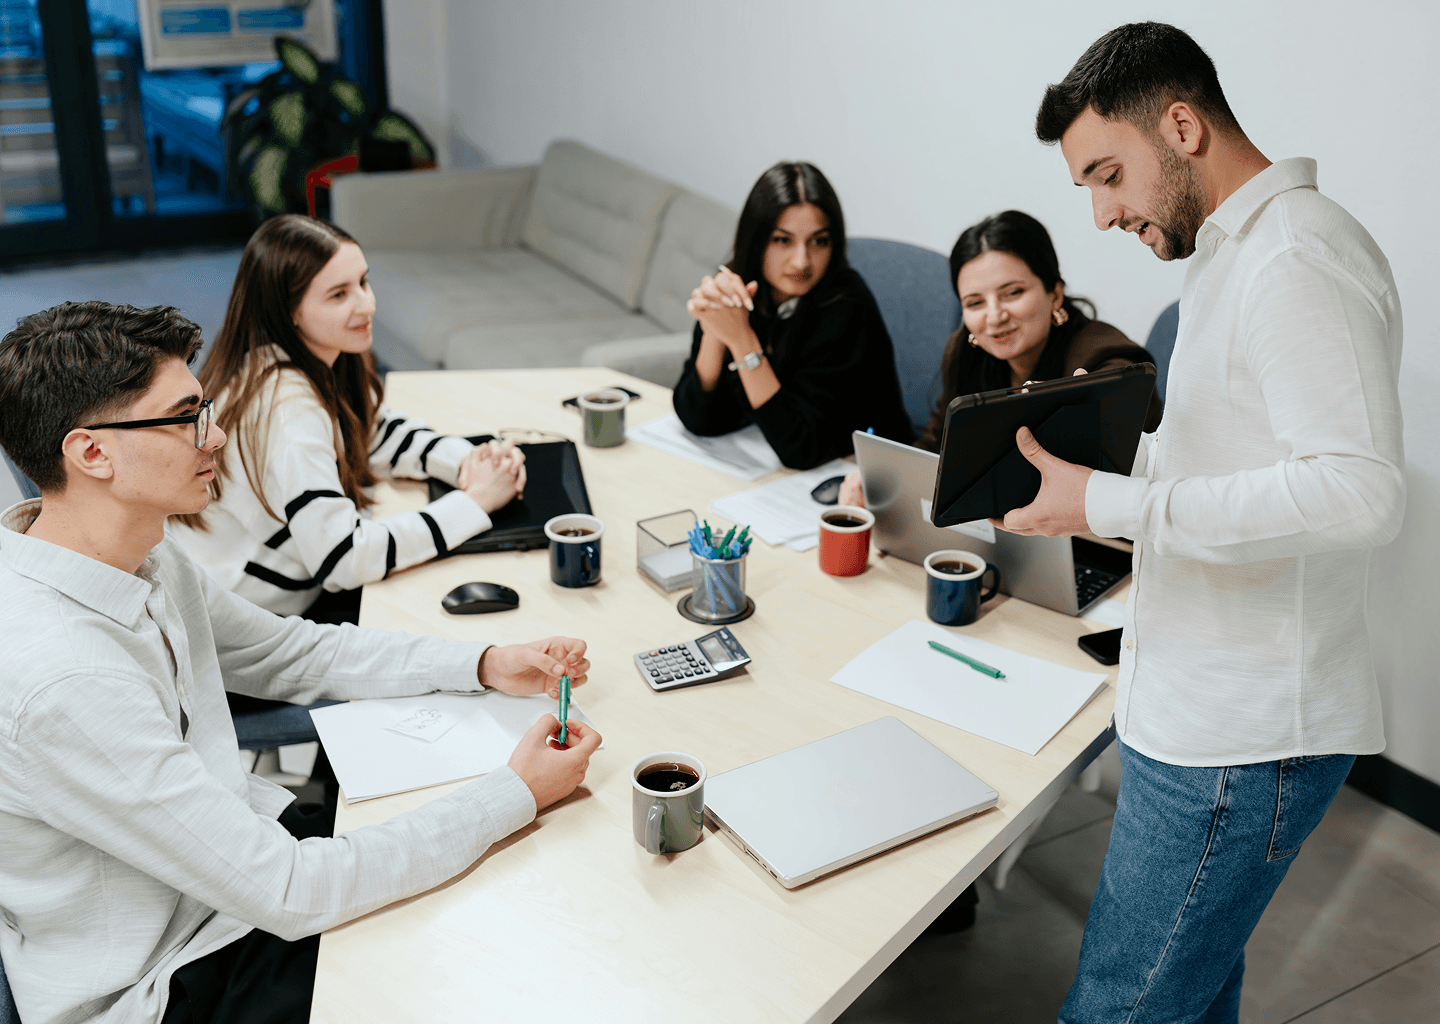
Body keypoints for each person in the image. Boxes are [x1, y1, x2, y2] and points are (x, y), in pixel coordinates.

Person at [0, 300, 602, 1024]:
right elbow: (288, 891)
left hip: (231, 890)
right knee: (487, 952)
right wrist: (516, 792)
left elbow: (290, 651)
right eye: (186, 416)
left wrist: (484, 661)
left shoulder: (144, 552)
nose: (216, 435)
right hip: (171, 980)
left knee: (499, 890)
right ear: (92, 453)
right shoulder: (65, 680)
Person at [1013, 22, 1403, 1022]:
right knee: (1185, 995)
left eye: (1109, 175)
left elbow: (1358, 491)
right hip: (1197, 701)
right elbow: (1237, 458)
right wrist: (1100, 484)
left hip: (1241, 734)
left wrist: (1111, 502)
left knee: (1122, 1007)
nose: (1101, 215)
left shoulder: (1295, 262)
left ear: (1181, 125)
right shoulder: (1233, 254)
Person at [171, 214, 525, 625]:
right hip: (262, 618)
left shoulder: (304, 357)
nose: (366, 304)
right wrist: (474, 503)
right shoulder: (287, 412)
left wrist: (467, 463)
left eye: (363, 282)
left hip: (289, 582)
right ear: (291, 313)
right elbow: (344, 558)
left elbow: (371, 429)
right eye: (338, 295)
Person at [837, 210, 1161, 506]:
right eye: (975, 303)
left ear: (1055, 293)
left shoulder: (1105, 359)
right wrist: (880, 475)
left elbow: (1127, 467)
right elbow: (938, 447)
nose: (994, 317)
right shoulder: (966, 349)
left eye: (1013, 293)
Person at [671, 161, 912, 469]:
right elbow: (700, 420)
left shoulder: (848, 305)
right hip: (774, 472)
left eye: (819, 241)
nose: (801, 261)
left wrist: (742, 340)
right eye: (782, 240)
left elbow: (801, 447)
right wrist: (714, 331)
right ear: (757, 240)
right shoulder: (739, 284)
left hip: (861, 474)